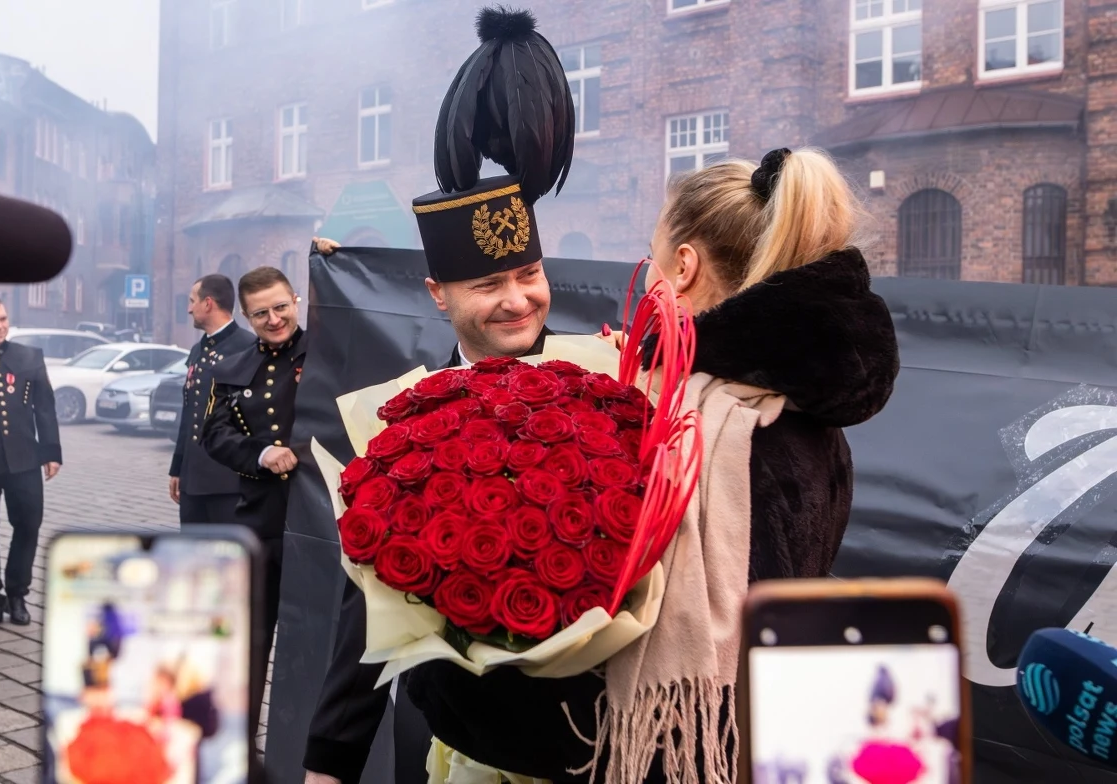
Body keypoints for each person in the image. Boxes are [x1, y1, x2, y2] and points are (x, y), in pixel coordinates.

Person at [402, 149, 900, 784]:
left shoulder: (693, 423)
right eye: (485, 285)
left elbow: (637, 696)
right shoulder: (783, 403)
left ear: (684, 266)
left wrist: (445, 688)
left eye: (654, 250)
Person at [303, 7, 576, 784]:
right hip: (448, 737)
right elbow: (369, 607)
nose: (518, 301)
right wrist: (328, 760)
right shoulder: (401, 420)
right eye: (489, 284)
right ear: (436, 293)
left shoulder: (602, 389)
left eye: (528, 276)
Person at [200, 266, 307, 732]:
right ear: (246, 316)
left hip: (321, 524)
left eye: (281, 307)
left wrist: (335, 263)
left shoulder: (325, 349)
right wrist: (260, 453)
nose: (274, 319)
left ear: (297, 300)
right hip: (260, 523)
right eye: (261, 313)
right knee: (249, 638)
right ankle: (238, 738)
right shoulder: (232, 368)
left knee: (312, 637)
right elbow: (213, 433)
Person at [0, 295, 62, 633]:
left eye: (3, 318)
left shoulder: (28, 357)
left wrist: (50, 452)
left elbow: (45, 408)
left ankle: (18, 594)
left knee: (28, 525)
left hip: (23, 459)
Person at [168, 274, 257, 523]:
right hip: (193, 479)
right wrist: (178, 468)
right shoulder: (198, 350)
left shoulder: (248, 347)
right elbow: (189, 413)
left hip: (228, 481)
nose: (188, 308)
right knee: (190, 553)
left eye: (192, 301)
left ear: (208, 303)